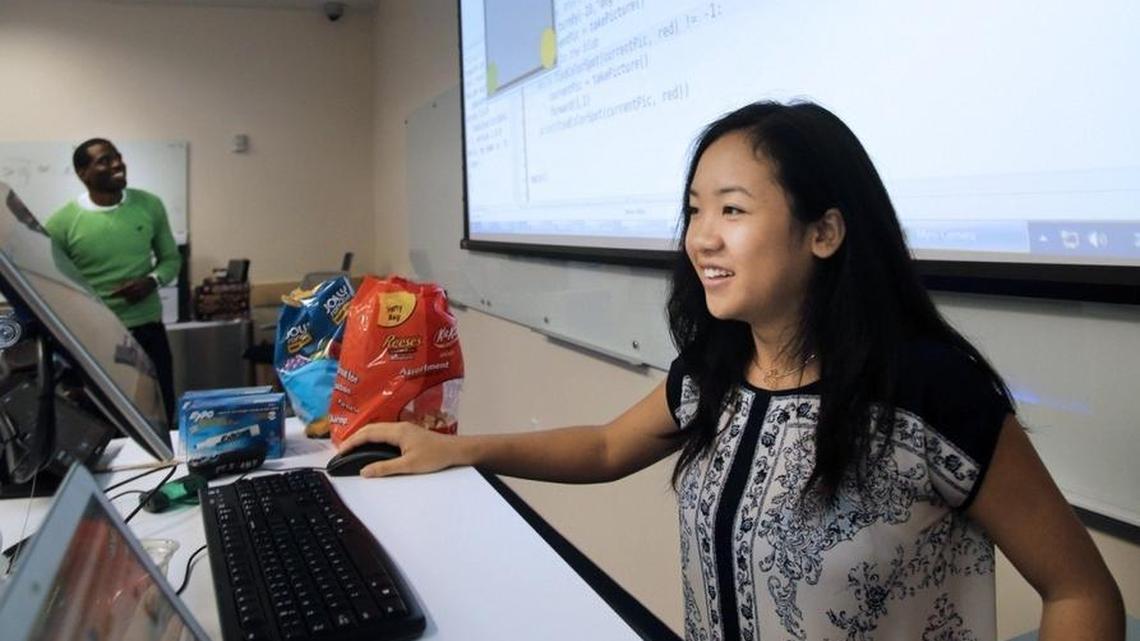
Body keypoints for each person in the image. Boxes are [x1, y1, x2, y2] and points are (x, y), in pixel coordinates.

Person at [336, 102, 1124, 640]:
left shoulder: (928, 393)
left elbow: (1083, 591)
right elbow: (610, 447)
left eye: (733, 210)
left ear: (824, 231)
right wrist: (460, 450)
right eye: (693, 210)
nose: (700, 237)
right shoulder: (715, 372)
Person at [45, 138, 181, 425]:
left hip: (148, 331)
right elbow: (53, 285)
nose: (117, 164)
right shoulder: (61, 223)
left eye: (117, 157)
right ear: (83, 173)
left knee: (162, 414)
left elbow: (171, 260)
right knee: (106, 422)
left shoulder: (148, 204)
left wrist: (152, 281)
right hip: (96, 336)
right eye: (104, 160)